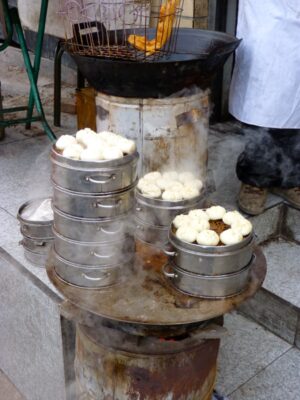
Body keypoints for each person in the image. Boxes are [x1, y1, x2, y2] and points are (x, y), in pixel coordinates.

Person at [229, 0, 300, 215]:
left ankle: (289, 178)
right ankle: (255, 180)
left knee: (295, 104)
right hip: (266, 16)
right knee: (262, 101)